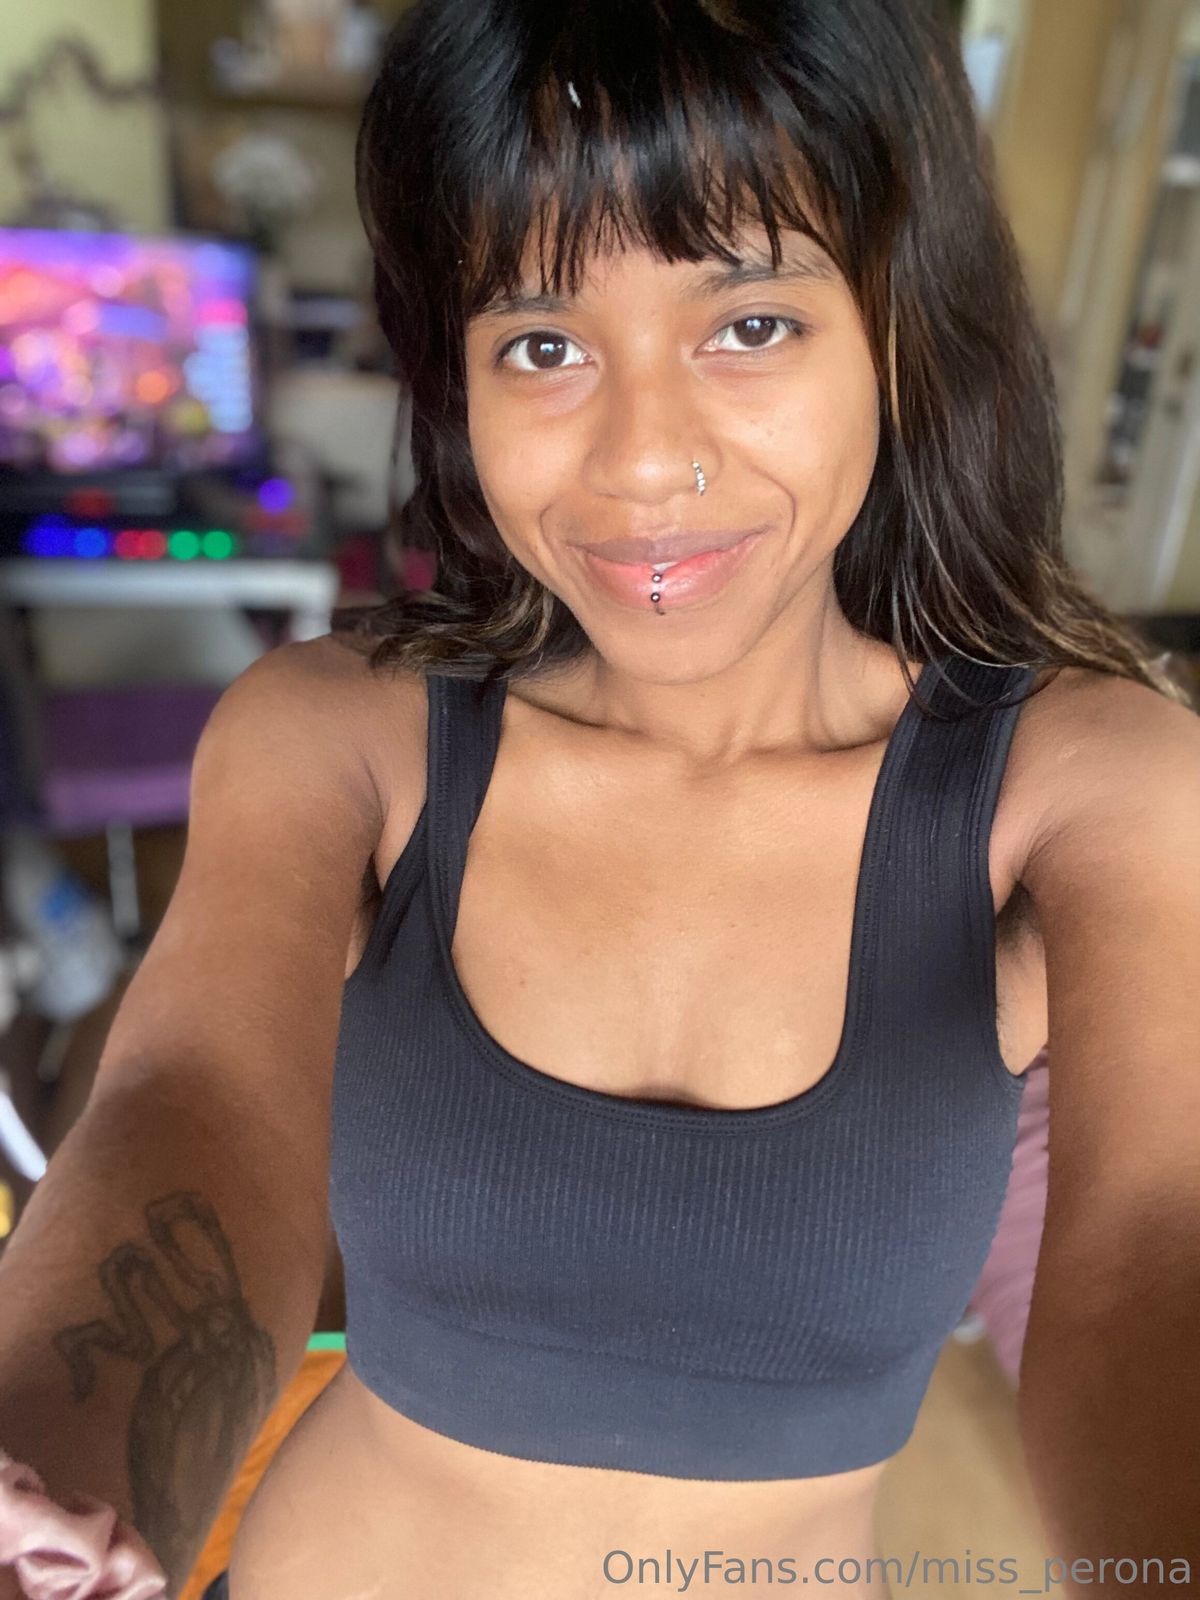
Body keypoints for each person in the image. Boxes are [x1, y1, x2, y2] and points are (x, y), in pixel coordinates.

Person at [3, 1, 1199, 1597]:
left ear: (897, 328)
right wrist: (56, 1489)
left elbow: (1157, 1254)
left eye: (749, 323)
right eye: (544, 346)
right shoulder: (341, 742)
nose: (640, 462)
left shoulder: (1082, 792)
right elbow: (193, 1112)